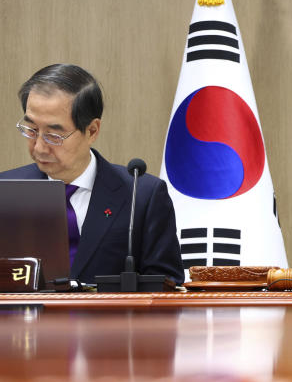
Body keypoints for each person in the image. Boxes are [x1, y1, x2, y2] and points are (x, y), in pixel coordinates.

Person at [0, 64, 183, 284]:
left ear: (92, 130)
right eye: (31, 130)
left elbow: (167, 285)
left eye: (53, 135)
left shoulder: (141, 195)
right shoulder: (6, 191)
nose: (39, 147)